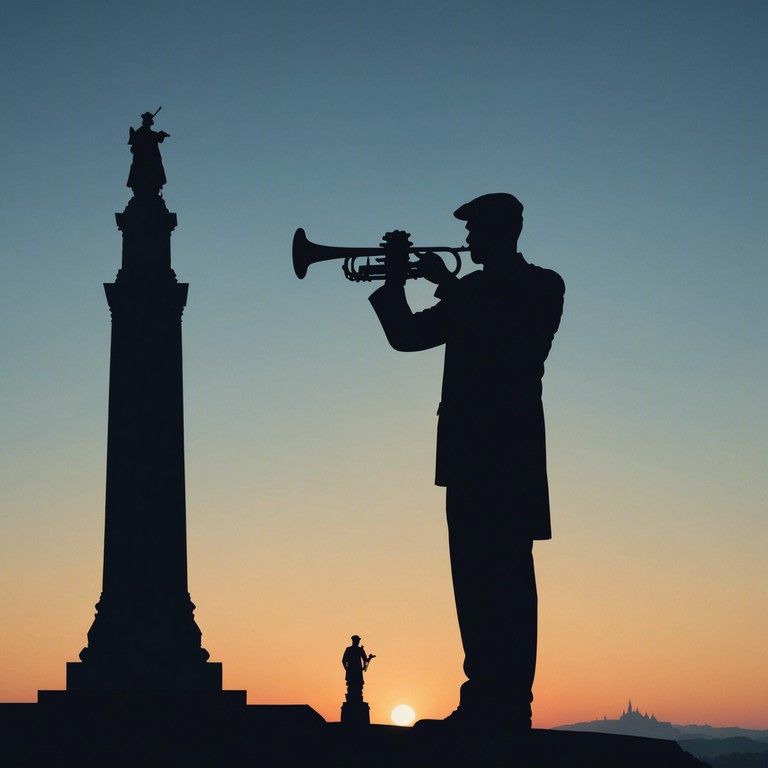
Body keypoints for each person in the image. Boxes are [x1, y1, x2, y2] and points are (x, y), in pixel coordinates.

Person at [368, 193, 565, 730]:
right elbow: (407, 338)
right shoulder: (472, 290)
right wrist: (393, 282)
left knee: (508, 578)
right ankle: (482, 696)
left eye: (476, 230)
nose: (468, 240)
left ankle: (509, 704)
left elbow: (513, 343)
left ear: (505, 231)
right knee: (472, 579)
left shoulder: (541, 285)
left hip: (509, 453)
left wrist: (446, 286)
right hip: (466, 455)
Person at [127, 111, 170, 195]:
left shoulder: (149, 133)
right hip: (143, 160)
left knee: (153, 175)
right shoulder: (141, 133)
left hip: (152, 160)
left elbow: (159, 139)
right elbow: (134, 147)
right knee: (145, 175)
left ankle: (153, 188)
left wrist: (162, 135)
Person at [341, 635, 374, 702]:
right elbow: (344, 660)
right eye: (357, 640)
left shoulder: (356, 650)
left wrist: (347, 669)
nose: (358, 642)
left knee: (357, 686)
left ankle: (355, 699)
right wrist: (347, 669)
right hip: (355, 671)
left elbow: (365, 660)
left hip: (355, 671)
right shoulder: (354, 650)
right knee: (352, 686)